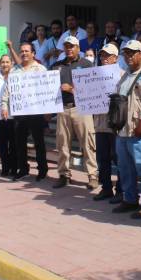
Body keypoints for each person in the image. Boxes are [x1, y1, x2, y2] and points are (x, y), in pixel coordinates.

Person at [112, 39, 141, 216]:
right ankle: (130, 199)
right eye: (126, 53)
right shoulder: (125, 75)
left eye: (132, 53)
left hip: (139, 131)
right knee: (125, 169)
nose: (129, 56)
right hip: (122, 131)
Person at [50, 35, 98, 189]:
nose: (69, 49)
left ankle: (92, 175)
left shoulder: (86, 65)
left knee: (88, 143)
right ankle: (64, 174)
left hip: (81, 108)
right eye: (67, 46)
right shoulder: (56, 66)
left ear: (78, 48)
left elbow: (93, 89)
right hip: (62, 109)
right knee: (62, 144)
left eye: (72, 46)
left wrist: (71, 89)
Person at [7, 42, 49, 181]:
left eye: (27, 51)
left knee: (39, 143)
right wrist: (3, 106)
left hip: (36, 113)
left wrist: (48, 111)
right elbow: (8, 90)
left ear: (33, 54)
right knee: (19, 143)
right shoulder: (14, 70)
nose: (24, 53)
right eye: (22, 51)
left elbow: (47, 90)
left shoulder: (41, 69)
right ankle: (23, 169)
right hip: (20, 113)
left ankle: (42, 170)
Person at [91, 43, 125, 201]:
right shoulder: (93, 75)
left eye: (108, 56)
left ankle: (121, 190)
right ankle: (106, 188)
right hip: (99, 123)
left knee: (119, 158)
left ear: (116, 58)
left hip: (116, 125)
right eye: (102, 55)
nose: (104, 58)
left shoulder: (123, 75)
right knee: (102, 158)